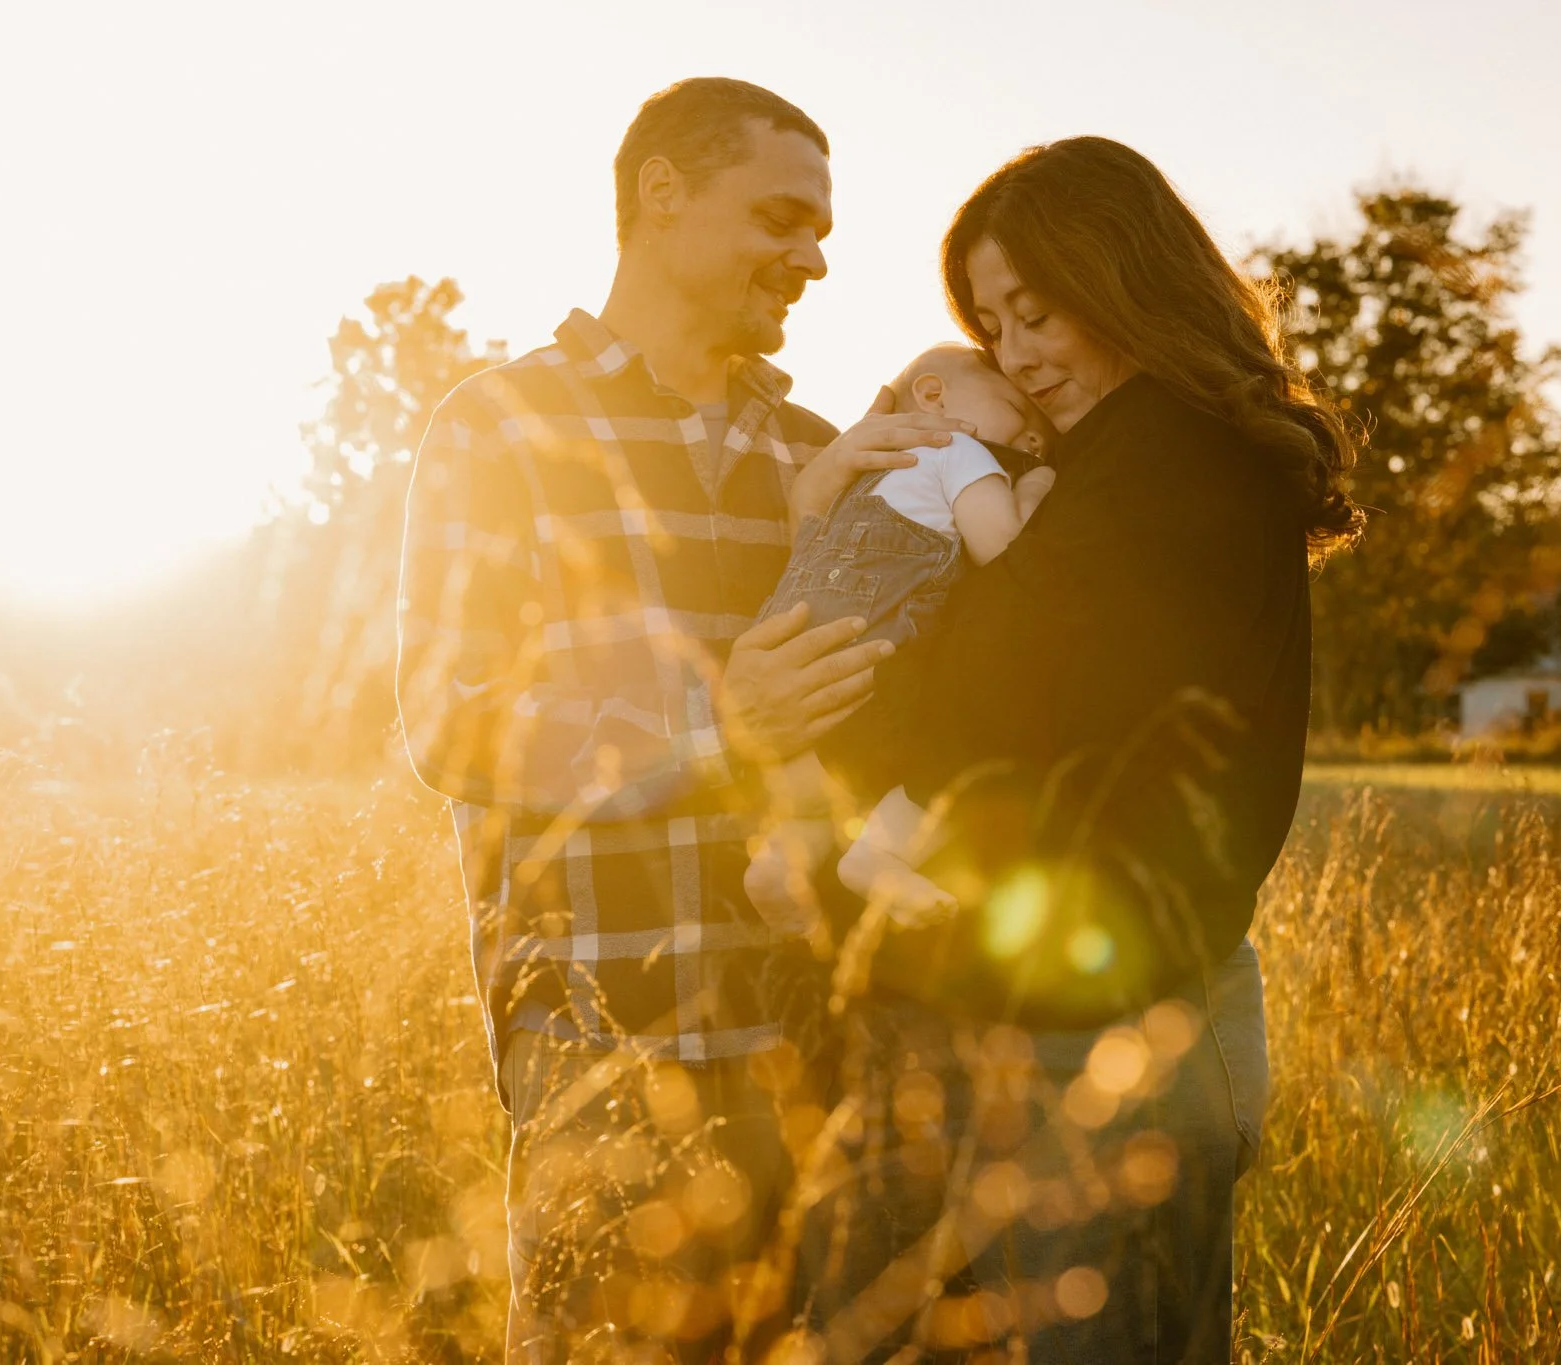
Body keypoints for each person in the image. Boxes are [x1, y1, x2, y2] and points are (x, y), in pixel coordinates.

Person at [394, 78, 971, 1360]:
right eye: (780, 217)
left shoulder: (826, 451)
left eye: (821, 231)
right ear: (660, 194)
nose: (811, 258)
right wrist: (719, 729)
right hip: (601, 1045)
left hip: (817, 1052)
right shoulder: (500, 427)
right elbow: (452, 721)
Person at [792, 138, 1362, 1362]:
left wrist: (840, 694)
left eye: (1036, 314)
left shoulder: (1171, 465)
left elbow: (989, 705)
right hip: (1049, 1026)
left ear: (1121, 280)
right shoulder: (1105, 461)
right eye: (991, 330)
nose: (1016, 356)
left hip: (1124, 1034)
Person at [742, 345, 1056, 934]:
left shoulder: (859, 476)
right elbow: (1005, 550)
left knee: (816, 805)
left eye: (1043, 436)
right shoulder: (958, 450)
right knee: (952, 748)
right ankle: (879, 854)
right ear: (935, 398)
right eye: (1019, 410)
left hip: (797, 693)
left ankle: (773, 867)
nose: (1034, 438)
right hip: (870, 688)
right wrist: (1038, 488)